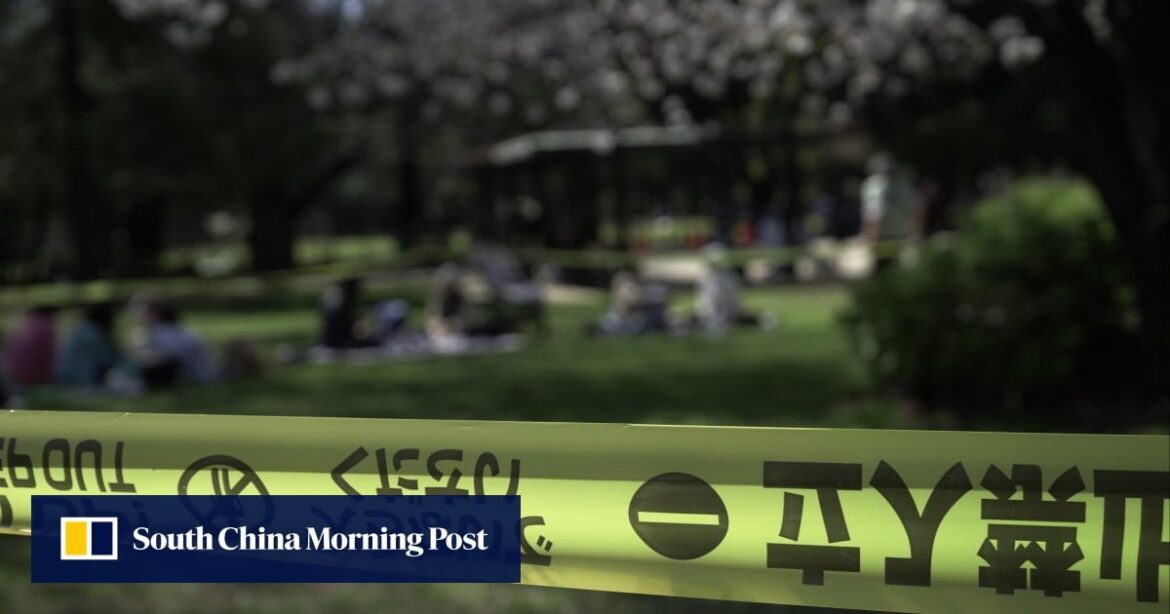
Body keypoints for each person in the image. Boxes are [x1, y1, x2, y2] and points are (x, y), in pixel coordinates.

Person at [137, 299, 218, 387]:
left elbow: (170, 358)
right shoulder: (178, 331)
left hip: (195, 377)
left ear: (154, 314)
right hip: (205, 374)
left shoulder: (162, 333)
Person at [55, 302, 125, 387]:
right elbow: (109, 359)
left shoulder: (83, 329)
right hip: (76, 382)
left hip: (66, 378)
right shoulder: (93, 333)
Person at [2, 306, 57, 387]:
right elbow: (46, 356)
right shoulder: (45, 326)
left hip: (12, 373)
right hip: (29, 378)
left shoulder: (30, 324)